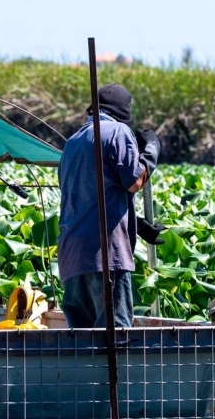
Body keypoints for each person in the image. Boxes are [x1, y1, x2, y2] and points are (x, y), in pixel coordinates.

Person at [57, 84, 162, 329]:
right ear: (123, 110)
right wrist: (150, 154)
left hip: (71, 259)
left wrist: (133, 225)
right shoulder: (118, 131)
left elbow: (88, 197)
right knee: (116, 340)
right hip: (105, 257)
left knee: (82, 346)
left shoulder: (72, 142)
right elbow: (135, 181)